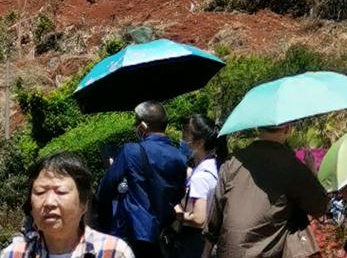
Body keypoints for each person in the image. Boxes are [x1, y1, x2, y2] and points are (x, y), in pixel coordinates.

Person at [204, 122, 327, 258]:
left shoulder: (232, 162)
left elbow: (214, 218)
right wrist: (312, 173)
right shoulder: (292, 166)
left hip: (228, 252)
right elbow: (320, 207)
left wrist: (205, 253)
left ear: (257, 128)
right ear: (287, 129)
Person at [96, 102, 189, 258]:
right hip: (163, 231)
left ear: (143, 126)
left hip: (133, 231)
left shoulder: (131, 151)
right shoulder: (180, 156)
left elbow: (105, 189)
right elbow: (179, 194)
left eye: (136, 123)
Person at [3, 153, 134, 258]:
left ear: (84, 204)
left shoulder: (113, 252)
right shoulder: (13, 254)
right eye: (40, 192)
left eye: (61, 192)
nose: (49, 202)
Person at [171, 116, 226, 258]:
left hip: (194, 243)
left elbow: (198, 219)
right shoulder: (215, 165)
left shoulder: (200, 176)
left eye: (186, 136)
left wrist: (177, 212)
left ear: (200, 142)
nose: (183, 141)